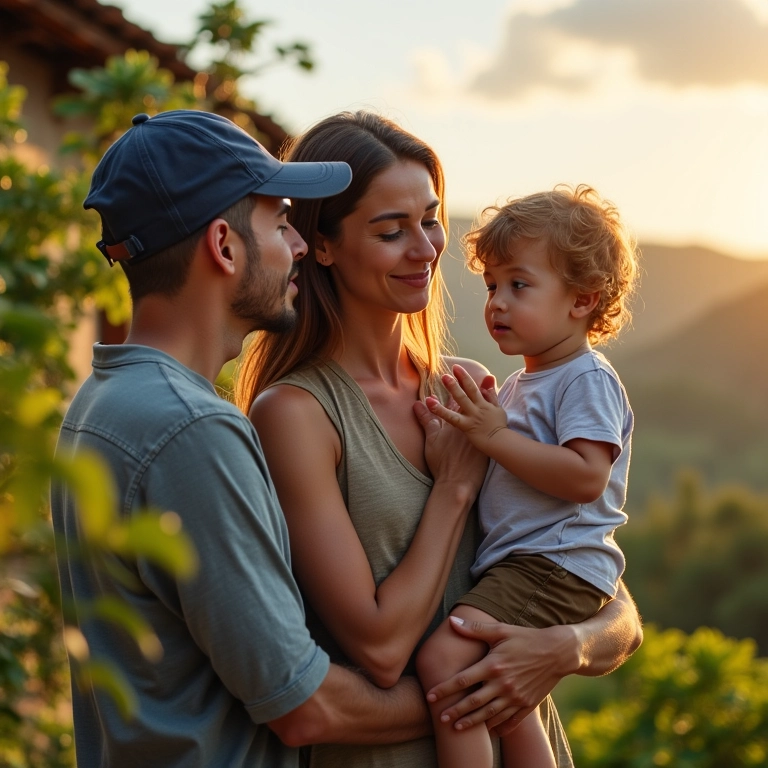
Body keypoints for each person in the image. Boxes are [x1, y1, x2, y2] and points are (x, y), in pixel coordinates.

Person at [51, 109, 461, 768]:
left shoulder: (103, 404)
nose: (298, 245)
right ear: (224, 245)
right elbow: (307, 706)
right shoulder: (192, 430)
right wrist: (491, 689)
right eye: (279, 224)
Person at [235, 113, 643, 768]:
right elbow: (380, 649)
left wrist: (566, 648)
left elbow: (594, 573)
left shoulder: (474, 388)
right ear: (325, 245)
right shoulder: (296, 414)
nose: (425, 248)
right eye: (391, 231)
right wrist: (455, 486)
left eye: (430, 220)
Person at [415, 185, 639, 768]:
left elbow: (587, 477)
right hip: (532, 561)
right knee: (510, 697)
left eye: (519, 285)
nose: (497, 302)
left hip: (553, 563)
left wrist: (493, 437)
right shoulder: (522, 383)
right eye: (492, 286)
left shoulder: (584, 379)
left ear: (583, 299)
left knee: (446, 660)